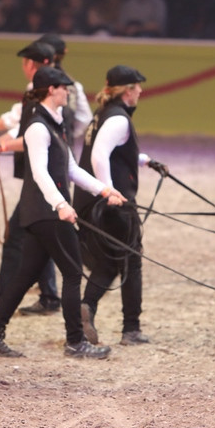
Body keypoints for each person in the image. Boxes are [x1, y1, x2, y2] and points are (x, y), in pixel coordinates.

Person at [0, 66, 126, 359]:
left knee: (24, 276)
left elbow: (70, 169)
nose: (68, 91)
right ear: (50, 90)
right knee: (72, 274)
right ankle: (75, 342)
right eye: (63, 87)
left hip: (45, 213)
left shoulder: (56, 125)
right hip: (47, 213)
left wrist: (105, 191)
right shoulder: (37, 127)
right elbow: (40, 173)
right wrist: (61, 204)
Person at [73, 65, 168, 347]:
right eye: (137, 86)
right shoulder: (119, 119)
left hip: (88, 199)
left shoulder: (103, 115)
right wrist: (109, 190)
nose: (141, 91)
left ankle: (87, 306)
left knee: (110, 261)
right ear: (127, 91)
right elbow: (101, 155)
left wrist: (146, 161)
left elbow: (116, 148)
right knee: (131, 261)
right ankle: (131, 329)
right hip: (111, 203)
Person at [0, 40, 61, 315]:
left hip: (42, 175)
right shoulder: (50, 91)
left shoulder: (39, 92)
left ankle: (3, 295)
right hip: (44, 172)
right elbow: (18, 126)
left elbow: (21, 131)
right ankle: (49, 296)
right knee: (38, 233)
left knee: (18, 233)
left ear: (31, 64)